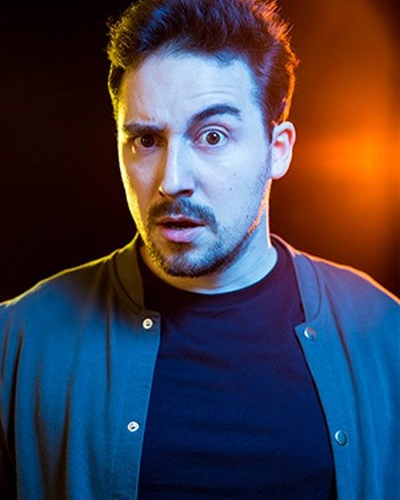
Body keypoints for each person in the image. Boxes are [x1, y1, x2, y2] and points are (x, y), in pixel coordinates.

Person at [0, 0, 399, 498]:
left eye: (212, 135)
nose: (172, 181)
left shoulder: (385, 333)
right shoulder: (18, 341)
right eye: (147, 140)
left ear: (278, 150)